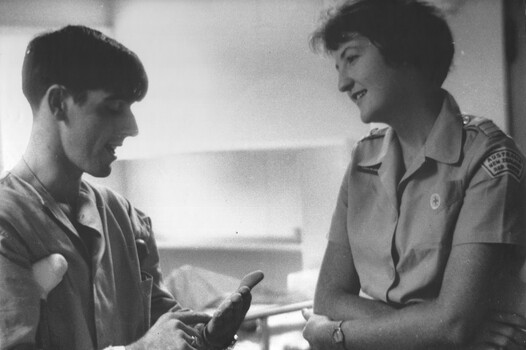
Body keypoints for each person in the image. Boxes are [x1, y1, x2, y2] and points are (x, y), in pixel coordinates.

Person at [0, 25, 253, 350]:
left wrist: (205, 336)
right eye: (113, 107)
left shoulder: (123, 216)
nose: (131, 127)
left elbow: (162, 324)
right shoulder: (8, 224)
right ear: (59, 102)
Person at [301, 0, 526, 349]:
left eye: (352, 58)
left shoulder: (489, 158)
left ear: (403, 51)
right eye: (337, 66)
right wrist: (434, 327)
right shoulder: (362, 160)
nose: (343, 83)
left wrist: (336, 334)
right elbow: (328, 297)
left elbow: (452, 324)